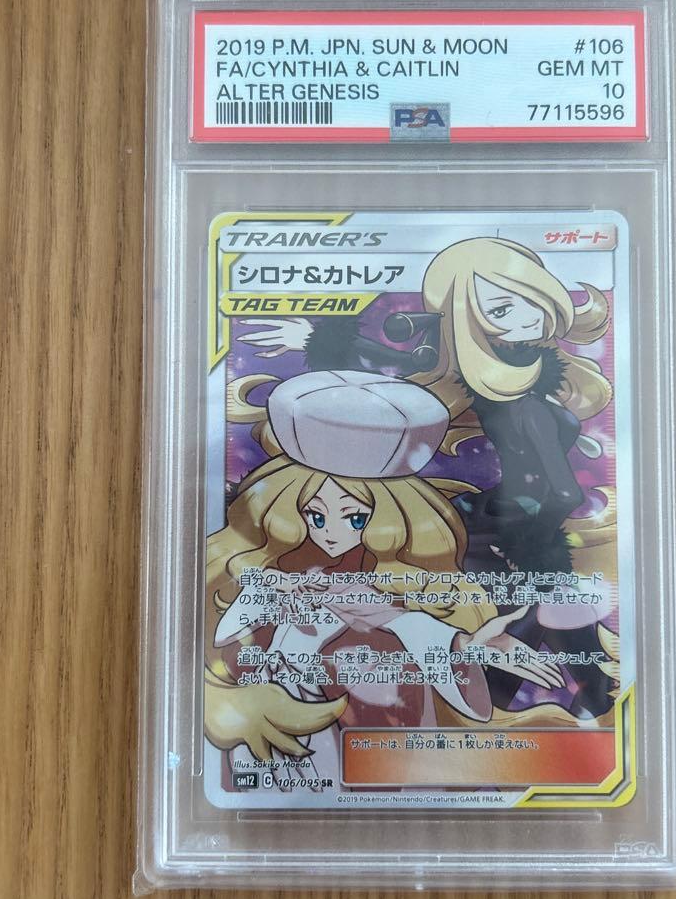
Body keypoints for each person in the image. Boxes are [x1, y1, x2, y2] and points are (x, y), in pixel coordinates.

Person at [236, 238, 619, 719]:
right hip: (507, 521)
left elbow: (561, 490)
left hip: (516, 519)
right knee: (527, 601)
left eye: (532, 299)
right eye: (501, 309)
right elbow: (562, 488)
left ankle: (548, 691)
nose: (525, 318)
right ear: (468, 318)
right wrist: (319, 341)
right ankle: (529, 691)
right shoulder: (507, 392)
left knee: (537, 599)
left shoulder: (529, 371)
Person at [204, 370, 572, 788]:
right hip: (273, 738)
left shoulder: (375, 590)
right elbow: (227, 633)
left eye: (354, 518)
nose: (330, 532)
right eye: (316, 516)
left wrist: (468, 646)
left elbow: (408, 625)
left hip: (358, 742)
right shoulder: (270, 580)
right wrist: (275, 590)